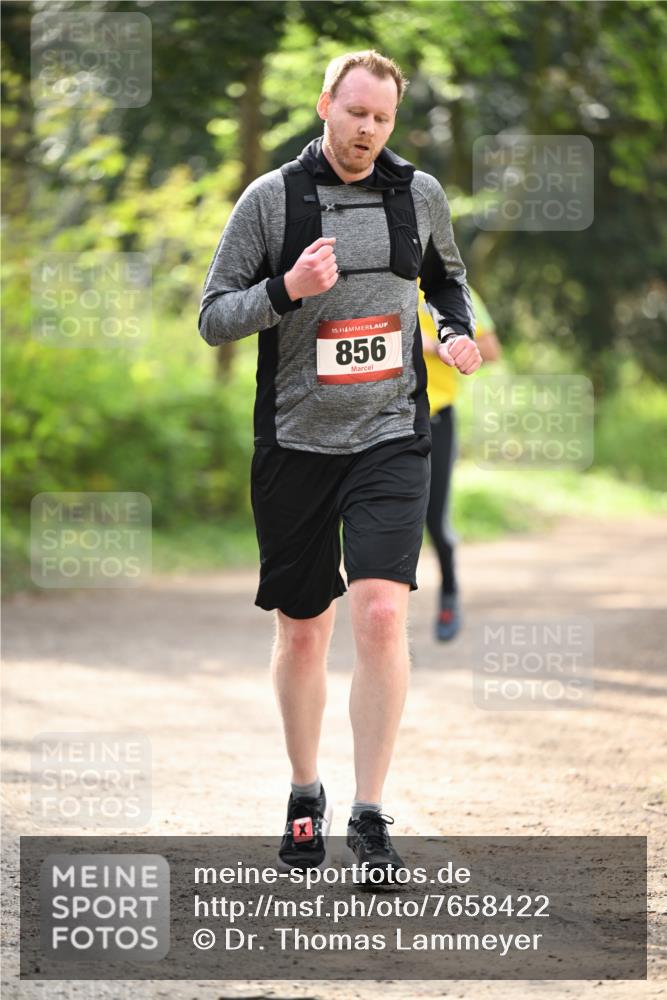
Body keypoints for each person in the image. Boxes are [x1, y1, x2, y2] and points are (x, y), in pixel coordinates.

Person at [199, 50, 481, 880]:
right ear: (325, 104)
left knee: (383, 616)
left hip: (392, 433)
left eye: (382, 118)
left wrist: (454, 332)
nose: (367, 130)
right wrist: (285, 288)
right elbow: (214, 317)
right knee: (303, 629)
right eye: (355, 112)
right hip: (294, 442)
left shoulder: (418, 195)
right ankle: (302, 793)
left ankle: (368, 813)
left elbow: (448, 282)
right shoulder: (271, 201)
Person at [420, 285, 501, 640]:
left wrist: (438, 346)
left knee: (434, 519)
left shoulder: (450, 288)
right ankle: (390, 623)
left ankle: (449, 592)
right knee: (393, 521)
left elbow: (491, 350)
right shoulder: (372, 274)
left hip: (436, 416)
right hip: (382, 416)